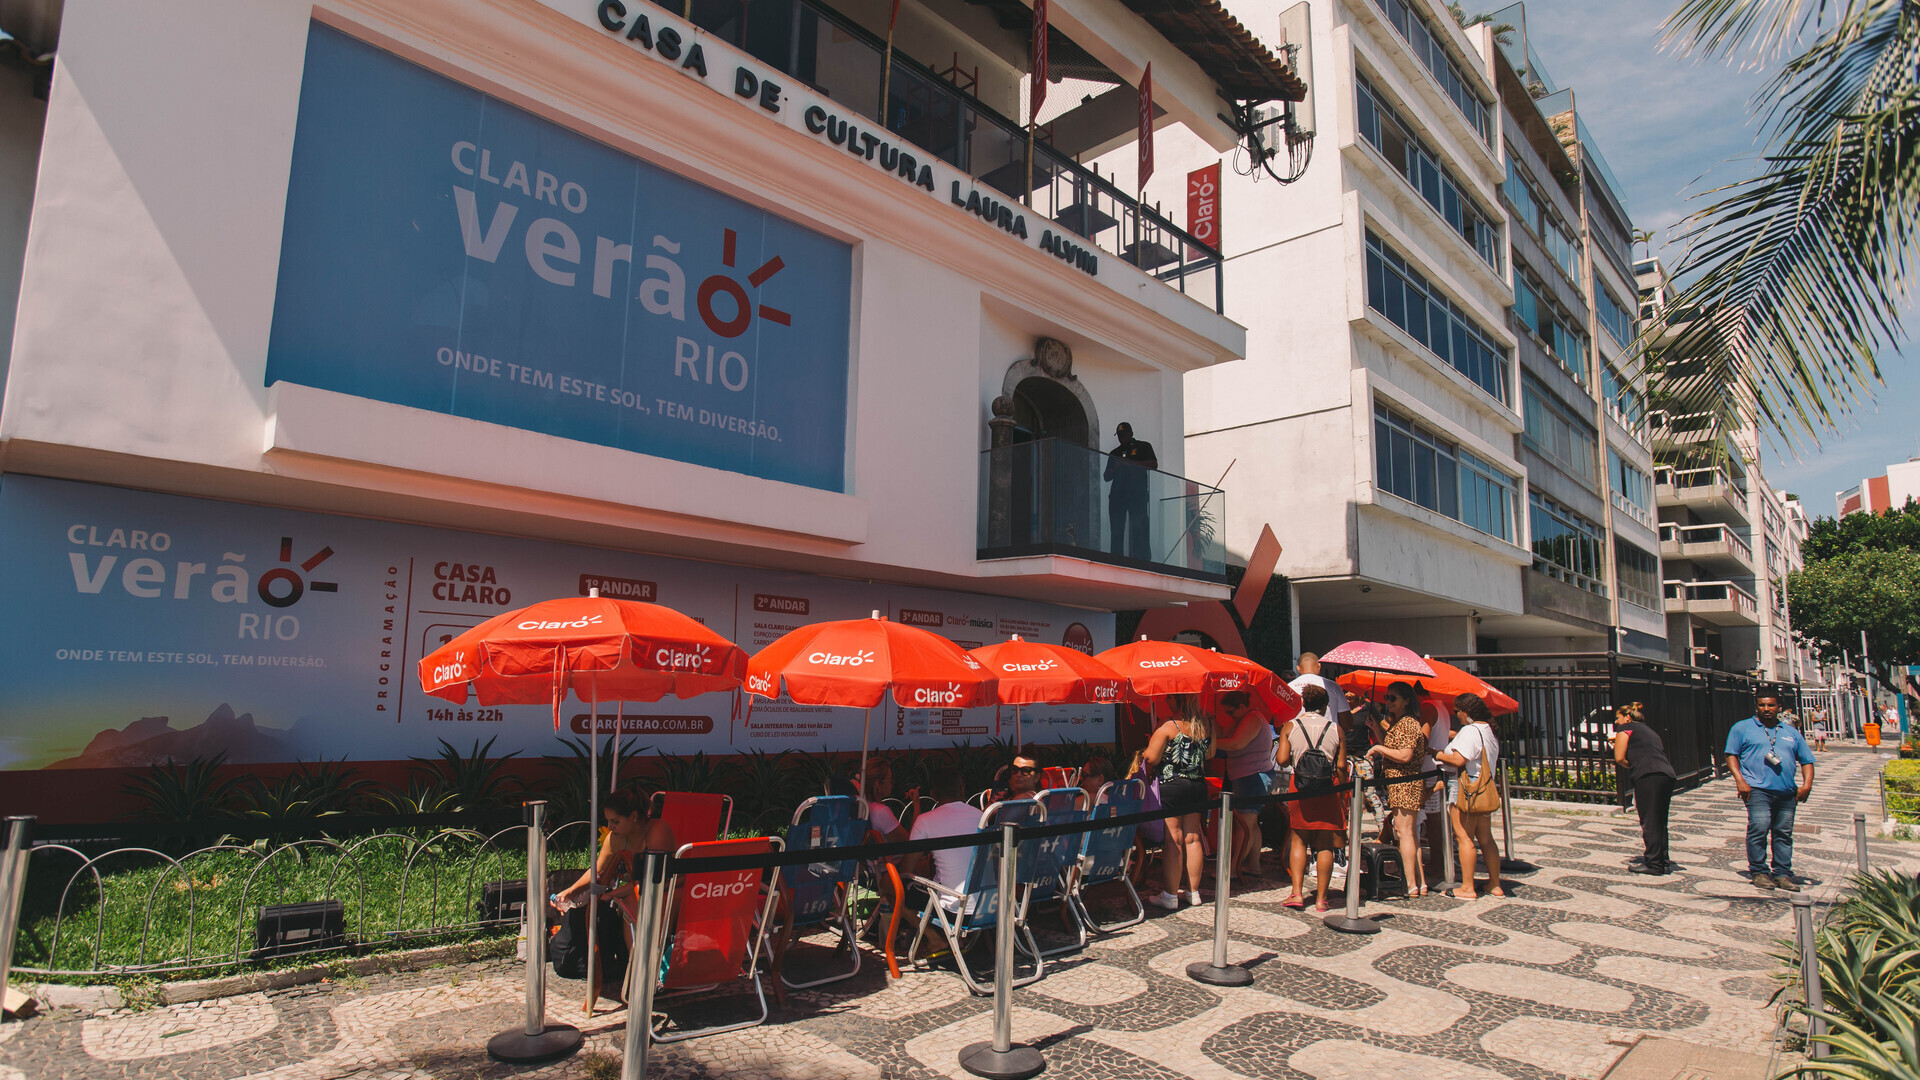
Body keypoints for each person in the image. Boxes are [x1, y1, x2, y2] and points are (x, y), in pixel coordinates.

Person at [554, 788, 676, 1011]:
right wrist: (570, 891)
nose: (610, 827)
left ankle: (643, 970)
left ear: (635, 817)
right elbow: (598, 871)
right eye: (608, 821)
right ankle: (641, 968)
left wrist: (614, 894)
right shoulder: (616, 838)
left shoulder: (657, 830)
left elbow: (656, 880)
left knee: (630, 900)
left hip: (670, 890)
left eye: (615, 821)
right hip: (639, 893)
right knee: (630, 900)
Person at [1726, 692, 1816, 891]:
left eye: (1771, 705)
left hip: (1786, 791)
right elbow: (1731, 755)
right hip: (1756, 789)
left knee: (1783, 832)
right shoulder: (1742, 728)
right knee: (1759, 826)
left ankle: (1782, 873)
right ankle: (1759, 870)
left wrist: (1807, 785)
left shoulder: (1790, 732)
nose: (1766, 709)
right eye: (1762, 705)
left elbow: (1807, 760)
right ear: (1756, 706)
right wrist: (1740, 781)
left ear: (1779, 707)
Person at [1140, 693, 1212, 909]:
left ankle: (1170, 895)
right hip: (1198, 785)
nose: (1167, 701)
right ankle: (1193, 892)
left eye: (1170, 698)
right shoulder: (1206, 725)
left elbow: (1151, 757)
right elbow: (1211, 753)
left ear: (1179, 701)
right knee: (1193, 838)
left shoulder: (1168, 727)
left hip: (1172, 786)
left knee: (1173, 839)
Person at [1280, 684, 1347, 911]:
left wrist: (1295, 756)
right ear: (1326, 705)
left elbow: (1281, 760)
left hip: (1299, 786)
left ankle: (1297, 893)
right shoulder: (1335, 728)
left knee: (1299, 839)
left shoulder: (1291, 726)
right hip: (1327, 788)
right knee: (1324, 843)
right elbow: (1340, 765)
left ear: (1303, 704)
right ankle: (1321, 898)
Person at [1436, 693, 1503, 899]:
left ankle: (1467, 886)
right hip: (1484, 788)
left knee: (1464, 836)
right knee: (1486, 838)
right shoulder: (1488, 730)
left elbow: (1458, 759)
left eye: (1457, 712)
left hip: (1466, 788)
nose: (1457, 715)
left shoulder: (1470, 731)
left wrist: (1438, 754)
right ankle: (1494, 883)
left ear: (1466, 712)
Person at [1366, 681, 1430, 898]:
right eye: (1387, 697)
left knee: (1404, 833)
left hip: (1405, 783)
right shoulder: (1400, 723)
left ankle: (1410, 883)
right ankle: (1418, 883)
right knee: (1410, 835)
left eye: (1393, 698)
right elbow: (1394, 749)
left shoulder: (1409, 723)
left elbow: (1404, 755)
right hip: (1401, 783)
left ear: (1406, 700)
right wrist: (1377, 729)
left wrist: (1377, 747)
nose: (1388, 702)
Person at [1215, 690, 1281, 878]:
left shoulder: (1252, 718)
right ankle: (1253, 865)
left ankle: (1234, 868)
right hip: (1249, 776)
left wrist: (1213, 743)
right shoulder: (1245, 719)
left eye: (1231, 712)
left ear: (1241, 707)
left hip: (1253, 776)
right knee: (1251, 824)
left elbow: (1236, 744)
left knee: (1245, 824)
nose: (1229, 715)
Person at [1611, 702, 1676, 875]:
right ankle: (1663, 861)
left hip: (1648, 775)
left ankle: (1653, 864)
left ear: (1627, 717)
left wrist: (1632, 766)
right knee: (1660, 820)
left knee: (1649, 820)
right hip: (1666, 774)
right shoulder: (1648, 731)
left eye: (1618, 718)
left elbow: (1619, 757)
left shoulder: (1626, 728)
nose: (1617, 722)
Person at [1104, 422, 1158, 560]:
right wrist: (1116, 468)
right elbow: (1106, 477)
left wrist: (1130, 463)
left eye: (1125, 435)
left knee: (1139, 526)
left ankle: (1142, 559)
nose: (1122, 439)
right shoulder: (1114, 453)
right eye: (1120, 436)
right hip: (1117, 496)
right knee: (1116, 529)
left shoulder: (1143, 447)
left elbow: (1153, 464)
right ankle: (1116, 559)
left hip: (1136, 495)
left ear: (1131, 434)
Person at [860, 756, 910, 843]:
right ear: (878, 784)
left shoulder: (862, 805)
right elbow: (909, 843)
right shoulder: (881, 811)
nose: (892, 784)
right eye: (890, 779)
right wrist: (916, 804)